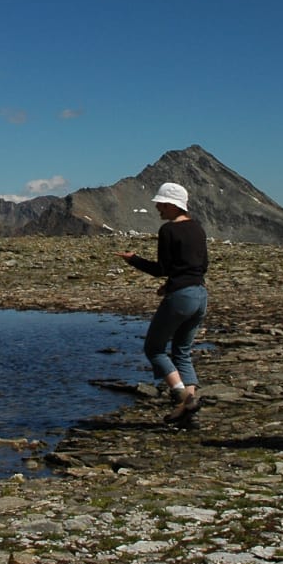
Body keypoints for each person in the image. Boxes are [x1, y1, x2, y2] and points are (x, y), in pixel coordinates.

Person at [115, 182, 209, 428]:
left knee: (154, 349)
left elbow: (161, 269)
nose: (158, 208)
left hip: (181, 297)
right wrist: (171, 284)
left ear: (172, 205)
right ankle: (187, 411)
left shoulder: (168, 230)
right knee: (182, 351)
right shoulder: (198, 228)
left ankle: (184, 397)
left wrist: (133, 260)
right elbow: (200, 266)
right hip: (200, 294)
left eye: (161, 205)